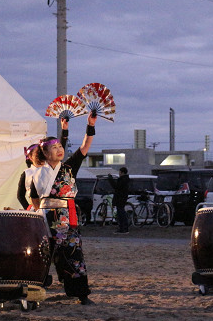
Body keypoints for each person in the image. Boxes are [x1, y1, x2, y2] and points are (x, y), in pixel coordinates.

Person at [30, 112, 97, 305]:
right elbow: (34, 198)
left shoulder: (69, 168)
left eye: (60, 146)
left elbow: (85, 145)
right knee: (41, 254)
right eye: (54, 148)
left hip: (66, 217)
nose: (59, 150)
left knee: (73, 253)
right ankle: (35, 291)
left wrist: (90, 125)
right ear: (45, 153)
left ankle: (81, 294)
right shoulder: (37, 174)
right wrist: (40, 212)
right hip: (45, 217)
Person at [16, 118, 68, 210]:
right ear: (30, 157)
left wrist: (64, 131)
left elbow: (60, 148)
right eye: (35, 154)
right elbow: (20, 196)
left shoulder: (49, 167)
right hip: (35, 208)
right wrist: (30, 209)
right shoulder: (27, 173)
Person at [108, 167, 131, 233]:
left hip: (120, 198)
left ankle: (123, 228)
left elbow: (116, 187)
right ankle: (123, 228)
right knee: (121, 213)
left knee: (121, 213)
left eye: (120, 172)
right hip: (122, 198)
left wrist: (110, 179)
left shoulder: (122, 180)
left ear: (122, 172)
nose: (119, 173)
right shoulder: (125, 179)